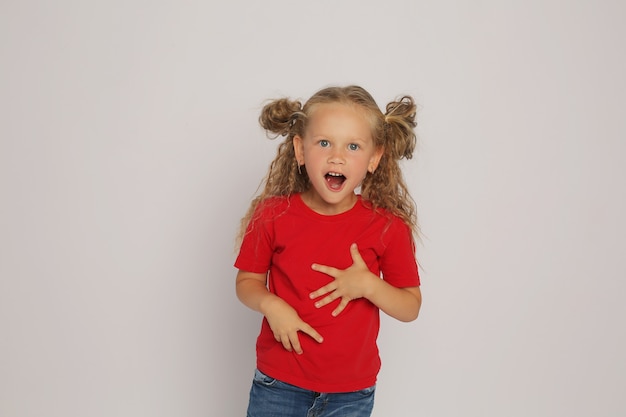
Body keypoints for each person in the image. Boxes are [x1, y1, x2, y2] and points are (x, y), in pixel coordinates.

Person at [234, 85, 422, 417]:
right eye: (324, 143)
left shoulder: (388, 226)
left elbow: (409, 307)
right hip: (278, 384)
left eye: (353, 146)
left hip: (351, 394)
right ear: (300, 149)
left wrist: (368, 284)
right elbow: (247, 282)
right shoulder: (272, 215)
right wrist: (272, 305)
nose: (337, 156)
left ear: (374, 158)